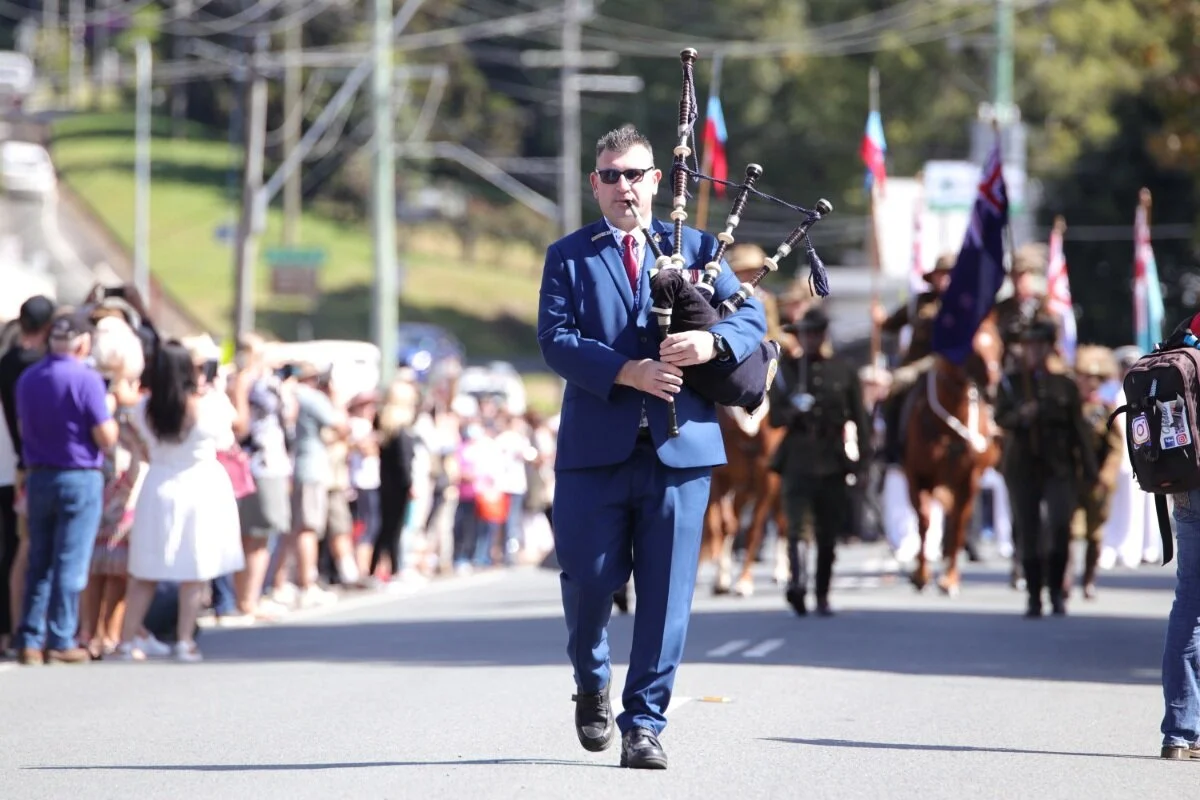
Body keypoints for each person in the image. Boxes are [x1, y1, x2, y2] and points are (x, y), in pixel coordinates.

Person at [537, 123, 766, 770]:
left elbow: (751, 315)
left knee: (666, 595)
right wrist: (625, 370)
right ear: (594, 183)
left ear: (655, 181)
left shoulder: (695, 246)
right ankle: (590, 681)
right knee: (587, 582)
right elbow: (554, 339)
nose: (622, 187)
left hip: (681, 451)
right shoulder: (569, 256)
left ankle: (644, 724)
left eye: (633, 174)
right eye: (609, 175)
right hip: (594, 453)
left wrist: (712, 343)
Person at [113, 340, 245, 662]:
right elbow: (228, 438)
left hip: (159, 483)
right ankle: (185, 640)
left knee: (146, 568)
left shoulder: (145, 408)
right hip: (199, 484)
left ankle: (127, 640)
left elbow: (134, 436)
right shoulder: (207, 406)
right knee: (195, 568)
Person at [14, 310, 118, 664]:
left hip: (39, 473)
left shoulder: (28, 378)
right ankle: (60, 636)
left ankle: (30, 637)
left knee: (38, 559)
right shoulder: (87, 379)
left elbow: (22, 426)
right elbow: (105, 436)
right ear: (82, 343)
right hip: (78, 473)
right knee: (71, 560)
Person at [767, 307, 870, 616]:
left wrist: (863, 464)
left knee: (828, 532)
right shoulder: (787, 370)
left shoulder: (845, 372)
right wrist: (793, 411)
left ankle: (822, 594)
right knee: (797, 528)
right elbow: (774, 419)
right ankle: (797, 584)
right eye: (804, 334)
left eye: (814, 333)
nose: (809, 339)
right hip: (797, 458)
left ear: (823, 335)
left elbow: (861, 423)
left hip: (832, 459)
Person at [994, 317, 1096, 618]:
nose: (1034, 352)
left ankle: (1056, 591)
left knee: (1060, 526)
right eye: (1029, 346)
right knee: (1028, 530)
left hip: (1058, 466)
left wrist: (1090, 469)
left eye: (1039, 346)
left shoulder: (1065, 385)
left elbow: (1079, 430)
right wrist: (1020, 416)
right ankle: (1034, 594)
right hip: (1022, 466)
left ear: (1050, 348)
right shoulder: (1011, 382)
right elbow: (1000, 417)